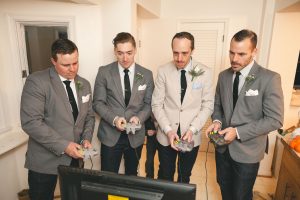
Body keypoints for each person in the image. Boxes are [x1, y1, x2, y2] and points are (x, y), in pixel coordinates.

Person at [205, 29, 284, 200]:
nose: (234, 59)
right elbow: (218, 105)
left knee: (241, 195)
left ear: (254, 52)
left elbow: (275, 119)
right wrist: (217, 121)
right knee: (224, 188)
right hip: (222, 148)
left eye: (241, 54)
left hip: (248, 151)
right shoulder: (223, 76)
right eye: (231, 52)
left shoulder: (270, 78)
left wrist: (238, 132)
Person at [20, 38, 95, 200]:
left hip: (75, 160)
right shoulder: (37, 81)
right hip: (44, 161)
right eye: (66, 65)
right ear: (53, 61)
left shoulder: (84, 84)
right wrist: (65, 145)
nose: (72, 69)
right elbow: (31, 123)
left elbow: (88, 117)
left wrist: (86, 139)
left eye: (75, 63)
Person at [152, 32, 214, 183]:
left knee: (184, 176)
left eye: (184, 53)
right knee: (165, 174)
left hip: (191, 136)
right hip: (166, 135)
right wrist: (168, 130)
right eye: (175, 53)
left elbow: (208, 105)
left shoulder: (205, 72)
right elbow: (156, 104)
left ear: (192, 50)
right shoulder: (163, 71)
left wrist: (192, 129)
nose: (179, 58)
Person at [93, 32, 154, 176]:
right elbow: (97, 103)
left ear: (135, 51)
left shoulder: (146, 74)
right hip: (110, 134)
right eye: (120, 53)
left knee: (132, 176)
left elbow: (149, 103)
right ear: (115, 51)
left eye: (129, 53)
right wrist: (114, 119)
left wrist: (139, 117)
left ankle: (128, 199)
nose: (125, 58)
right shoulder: (104, 72)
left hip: (136, 136)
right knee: (108, 177)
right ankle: (113, 199)